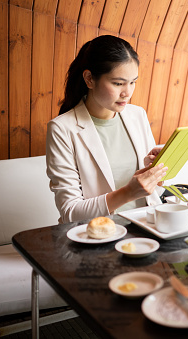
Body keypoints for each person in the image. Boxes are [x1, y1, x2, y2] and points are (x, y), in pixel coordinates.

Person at [46, 35, 167, 223]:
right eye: (118, 83)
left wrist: (155, 174)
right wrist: (127, 193)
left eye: (133, 82)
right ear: (89, 79)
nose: (127, 93)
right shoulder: (62, 129)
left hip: (146, 226)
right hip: (98, 235)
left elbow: (152, 194)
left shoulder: (137, 115)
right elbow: (70, 212)